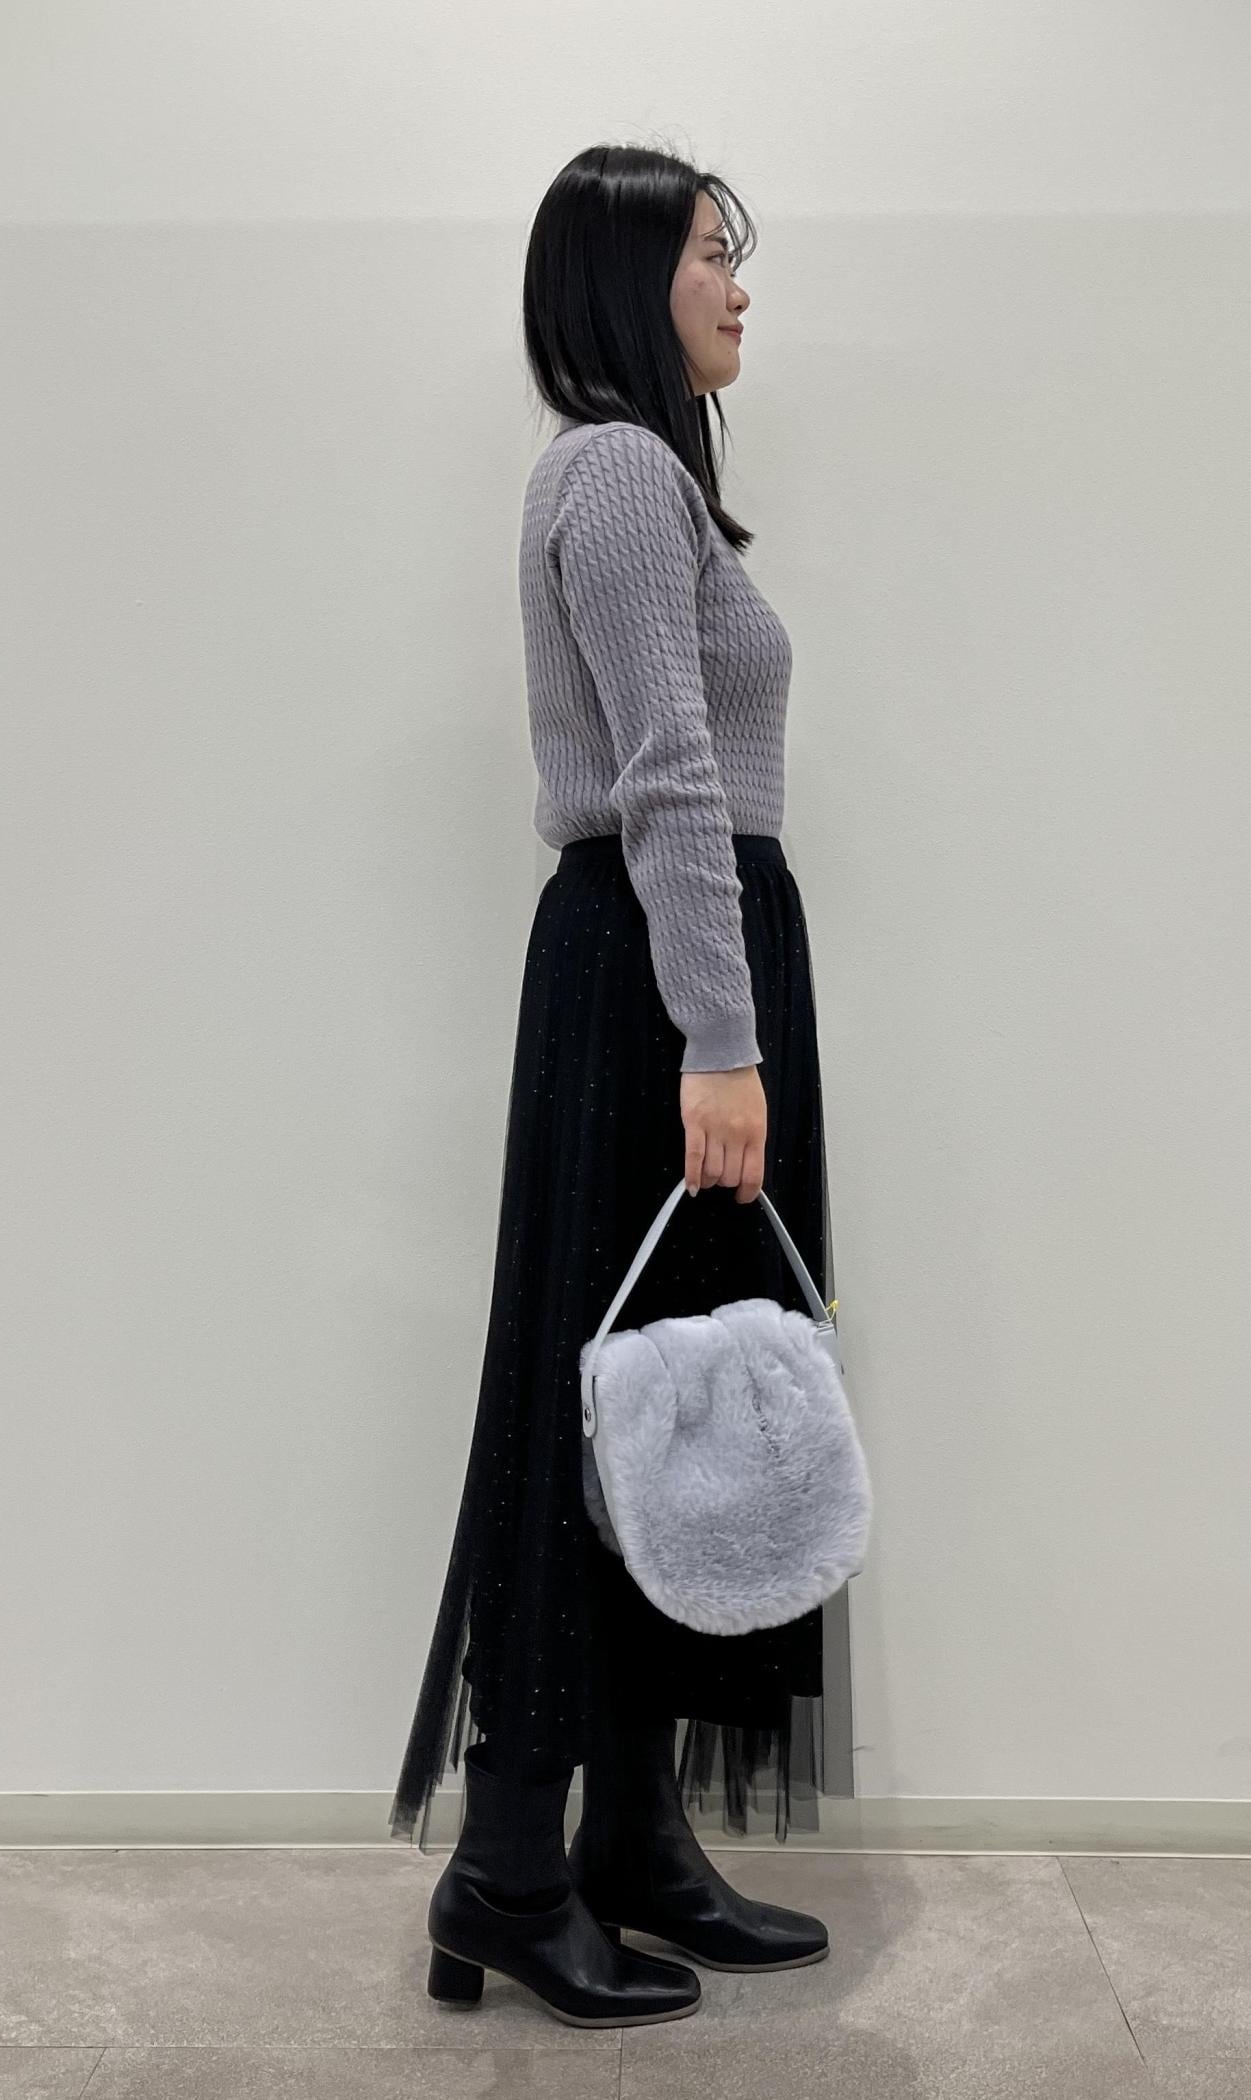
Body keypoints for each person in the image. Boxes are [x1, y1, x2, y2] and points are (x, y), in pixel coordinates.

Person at [391, 143, 851, 2029]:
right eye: (711, 255)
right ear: (621, 282)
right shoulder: (612, 472)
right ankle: (510, 1864)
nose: (740, 287)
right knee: (597, 1403)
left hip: (689, 960)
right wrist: (719, 1042)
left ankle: (635, 1843)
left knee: (687, 1403)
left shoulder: (657, 480)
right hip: (660, 984)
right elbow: (667, 771)